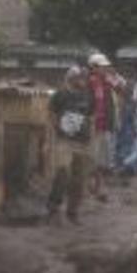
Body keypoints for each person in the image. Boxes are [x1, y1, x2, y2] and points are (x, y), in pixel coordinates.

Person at [47, 66, 94, 225]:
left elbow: (90, 116)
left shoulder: (87, 96)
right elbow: (51, 113)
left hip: (82, 142)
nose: (84, 81)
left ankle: (73, 212)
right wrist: (58, 129)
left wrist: (90, 138)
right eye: (80, 78)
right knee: (63, 172)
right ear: (71, 78)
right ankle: (53, 207)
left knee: (79, 179)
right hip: (65, 141)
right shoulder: (60, 95)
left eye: (84, 78)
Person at [86, 53, 126, 201]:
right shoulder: (89, 82)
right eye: (102, 67)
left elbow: (122, 89)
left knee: (102, 159)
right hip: (93, 126)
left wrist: (114, 79)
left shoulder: (106, 82)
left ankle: (98, 188)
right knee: (93, 158)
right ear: (94, 67)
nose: (105, 69)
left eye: (105, 67)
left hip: (105, 125)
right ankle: (92, 188)